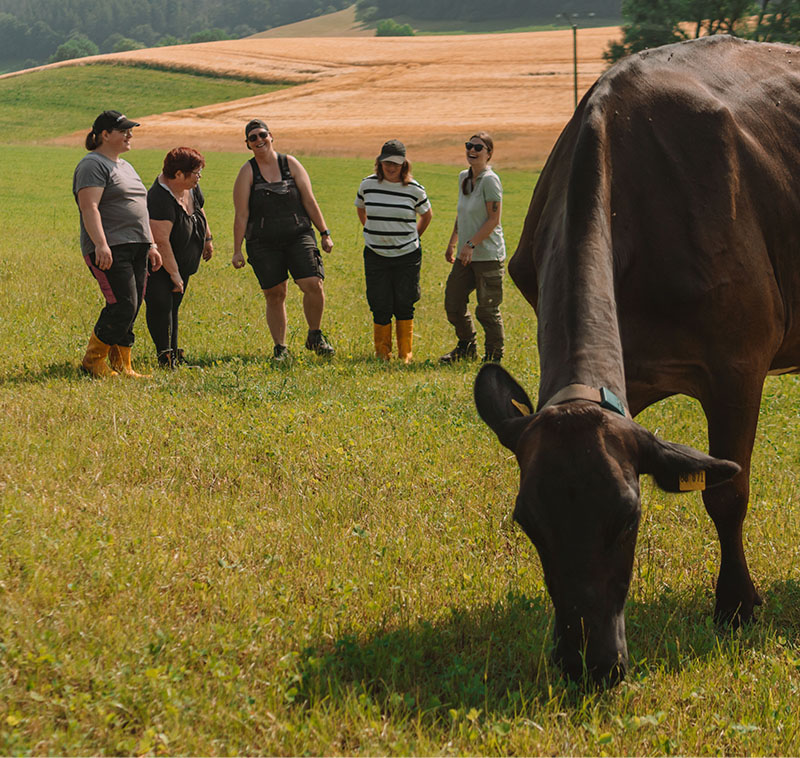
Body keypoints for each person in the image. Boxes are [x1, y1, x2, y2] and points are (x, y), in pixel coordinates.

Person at [232, 119, 334, 361]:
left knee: (313, 283)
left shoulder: (290, 164)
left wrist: (324, 233)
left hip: (298, 234)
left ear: (271, 136)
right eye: (252, 138)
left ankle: (315, 335)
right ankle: (281, 348)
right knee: (275, 293)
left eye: (262, 135)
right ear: (247, 144)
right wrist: (237, 250)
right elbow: (242, 213)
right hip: (262, 241)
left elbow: (309, 200)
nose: (259, 140)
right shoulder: (247, 172)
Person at [73, 110, 162, 378]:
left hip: (138, 245)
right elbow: (89, 207)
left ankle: (123, 365)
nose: (129, 134)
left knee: (132, 305)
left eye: (129, 130)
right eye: (123, 130)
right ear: (104, 135)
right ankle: (92, 362)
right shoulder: (92, 164)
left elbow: (141, 208)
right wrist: (100, 244)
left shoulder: (125, 166)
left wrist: (153, 244)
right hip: (111, 248)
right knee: (122, 304)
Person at [355, 139, 432, 363]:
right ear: (379, 162)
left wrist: (414, 237)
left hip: (407, 255)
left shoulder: (414, 189)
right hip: (375, 254)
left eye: (396, 164)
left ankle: (405, 354)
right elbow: (361, 209)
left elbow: (426, 215)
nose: (391, 167)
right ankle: (382, 353)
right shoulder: (367, 185)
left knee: (405, 301)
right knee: (379, 302)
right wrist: (373, 231)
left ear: (404, 165)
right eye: (387, 162)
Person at [440, 131, 506, 364]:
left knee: (487, 310)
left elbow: (493, 219)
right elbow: (462, 214)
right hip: (465, 255)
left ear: (489, 153)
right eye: (469, 146)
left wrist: (470, 245)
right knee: (453, 302)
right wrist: (453, 242)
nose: (472, 151)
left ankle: (493, 358)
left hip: (487, 255)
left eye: (479, 147)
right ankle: (467, 347)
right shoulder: (463, 178)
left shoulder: (490, 180)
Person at [145, 147, 213, 368]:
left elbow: (200, 209)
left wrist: (207, 238)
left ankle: (173, 352)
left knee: (174, 306)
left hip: (184, 261)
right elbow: (161, 241)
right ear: (178, 174)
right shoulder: (159, 198)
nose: (199, 178)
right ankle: (164, 356)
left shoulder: (190, 188)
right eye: (196, 173)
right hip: (160, 264)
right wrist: (174, 274)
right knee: (161, 306)